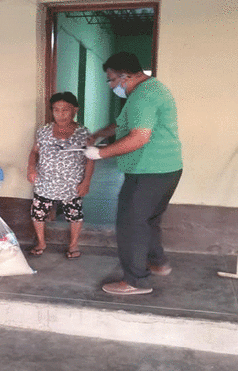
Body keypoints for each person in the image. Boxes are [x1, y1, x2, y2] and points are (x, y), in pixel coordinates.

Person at [85, 52, 183, 295]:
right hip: (167, 169)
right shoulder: (151, 89)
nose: (110, 85)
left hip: (148, 171)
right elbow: (122, 125)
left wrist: (100, 154)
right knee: (148, 220)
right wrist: (98, 134)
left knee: (131, 224)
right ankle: (157, 262)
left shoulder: (143, 97)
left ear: (125, 76)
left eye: (111, 80)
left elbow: (139, 137)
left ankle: (135, 281)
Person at [26, 92, 95, 259]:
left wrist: (86, 182)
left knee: (75, 214)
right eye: (56, 110)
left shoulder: (84, 133)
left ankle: (73, 245)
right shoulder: (43, 131)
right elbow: (34, 152)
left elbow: (90, 160)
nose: (60, 114)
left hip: (71, 183)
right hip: (45, 181)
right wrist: (31, 168)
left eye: (65, 110)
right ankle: (41, 242)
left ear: (75, 110)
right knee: (38, 213)